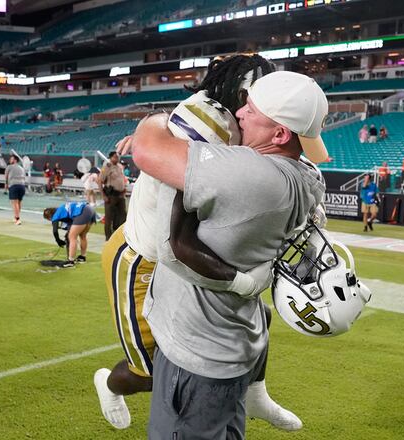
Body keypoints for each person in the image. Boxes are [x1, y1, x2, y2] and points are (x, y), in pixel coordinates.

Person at [95, 54, 303, 433]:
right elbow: (178, 236)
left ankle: (256, 392)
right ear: (241, 92)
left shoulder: (243, 121)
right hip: (143, 256)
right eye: (259, 94)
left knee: (259, 317)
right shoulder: (210, 119)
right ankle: (109, 385)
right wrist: (151, 129)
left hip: (178, 253)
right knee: (150, 372)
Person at [42, 201, 96, 267]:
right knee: (82, 235)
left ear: (49, 217)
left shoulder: (56, 214)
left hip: (83, 212)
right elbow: (71, 225)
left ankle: (70, 261)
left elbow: (55, 231)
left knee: (72, 237)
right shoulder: (62, 209)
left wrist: (58, 240)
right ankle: (82, 257)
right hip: (90, 209)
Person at [100, 151, 127, 240]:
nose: (117, 158)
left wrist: (124, 188)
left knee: (122, 216)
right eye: (115, 157)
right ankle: (108, 237)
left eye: (118, 157)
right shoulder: (107, 167)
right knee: (109, 217)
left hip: (120, 195)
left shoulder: (119, 166)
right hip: (111, 195)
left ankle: (119, 236)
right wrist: (103, 195)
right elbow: (100, 181)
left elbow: (122, 178)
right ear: (111, 157)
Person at [5, 152, 26, 225]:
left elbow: (6, 177)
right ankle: (16, 217)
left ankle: (18, 219)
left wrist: (6, 186)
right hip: (22, 186)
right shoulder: (22, 168)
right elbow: (24, 178)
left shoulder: (9, 167)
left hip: (14, 186)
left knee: (15, 203)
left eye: (12, 159)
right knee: (19, 202)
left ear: (15, 160)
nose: (10, 160)